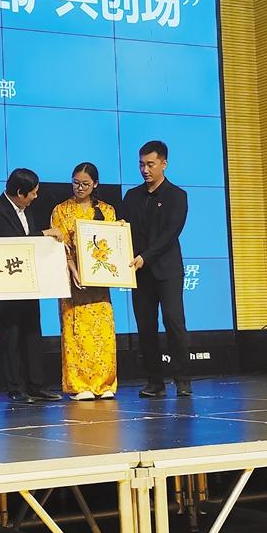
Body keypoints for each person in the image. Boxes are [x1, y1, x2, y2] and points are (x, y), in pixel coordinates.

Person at [0, 168, 64, 404]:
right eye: (33, 193)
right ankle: (16, 388)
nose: (35, 197)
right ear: (20, 192)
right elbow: (11, 244)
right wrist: (44, 234)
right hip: (6, 286)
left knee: (32, 333)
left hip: (29, 282)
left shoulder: (26, 209)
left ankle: (36, 385)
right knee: (10, 336)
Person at [121, 140, 192, 398]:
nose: (145, 170)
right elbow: (121, 230)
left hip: (167, 271)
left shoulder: (177, 196)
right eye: (141, 164)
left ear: (164, 164)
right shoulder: (132, 196)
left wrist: (145, 257)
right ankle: (154, 382)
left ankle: (182, 379)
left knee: (174, 322)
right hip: (140, 273)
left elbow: (170, 234)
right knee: (145, 326)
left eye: (150, 164)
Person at [51, 162, 118, 401]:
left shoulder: (107, 211)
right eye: (76, 183)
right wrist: (73, 270)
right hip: (74, 279)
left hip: (99, 281)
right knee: (76, 332)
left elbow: (114, 245)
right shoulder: (61, 210)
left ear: (95, 184)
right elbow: (60, 247)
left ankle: (104, 383)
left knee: (102, 333)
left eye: (85, 184)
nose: (80, 188)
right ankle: (80, 385)